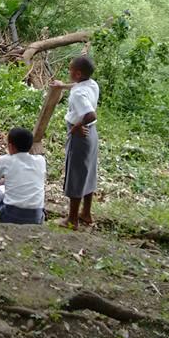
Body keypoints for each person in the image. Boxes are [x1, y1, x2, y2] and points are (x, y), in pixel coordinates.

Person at [52, 56, 100, 229]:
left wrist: (76, 127)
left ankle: (72, 219)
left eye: (70, 70)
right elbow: (78, 86)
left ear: (78, 73)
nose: (69, 72)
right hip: (92, 134)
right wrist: (62, 86)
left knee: (76, 174)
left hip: (81, 135)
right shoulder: (91, 84)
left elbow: (90, 114)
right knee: (88, 172)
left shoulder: (78, 93)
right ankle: (86, 213)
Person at [0, 127, 46, 225]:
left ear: (10, 146)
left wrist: (1, 181)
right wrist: (5, 181)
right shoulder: (41, 160)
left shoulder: (6, 160)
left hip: (9, 215)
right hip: (36, 217)